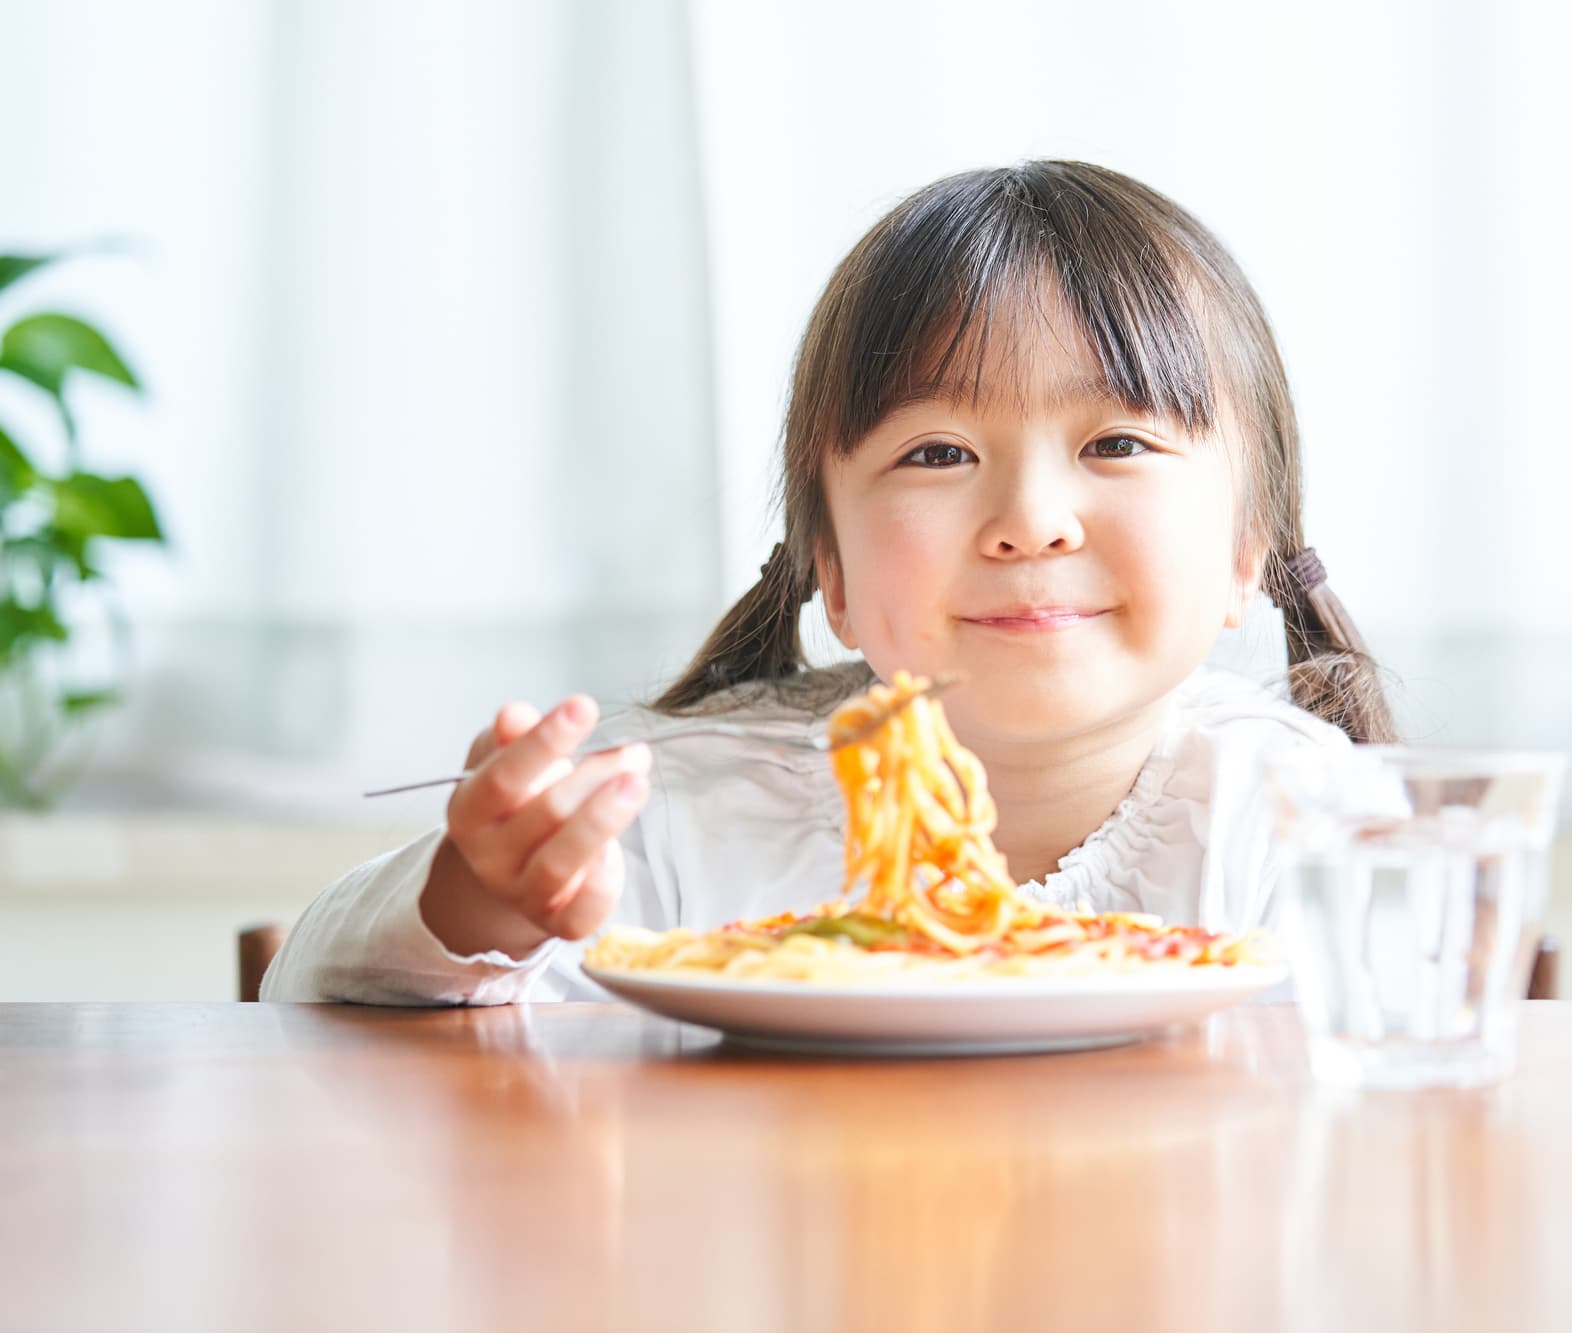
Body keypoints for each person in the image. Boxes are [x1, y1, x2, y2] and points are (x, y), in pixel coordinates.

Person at [260, 159, 1396, 1004]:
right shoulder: (683, 810)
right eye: (938, 454)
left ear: (1247, 549)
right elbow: (304, 986)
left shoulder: (1299, 814)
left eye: (1117, 444)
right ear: (832, 569)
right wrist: (484, 902)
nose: (1029, 523)